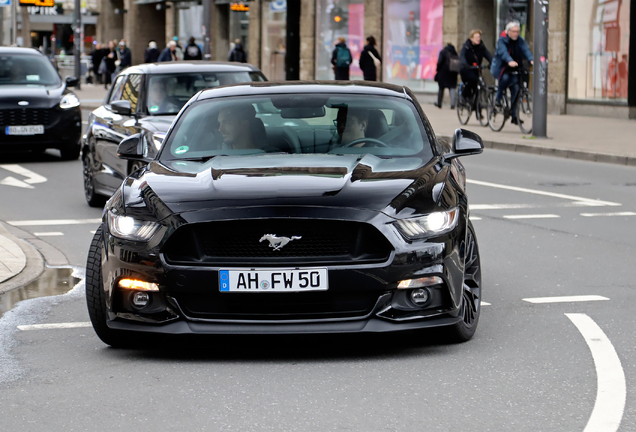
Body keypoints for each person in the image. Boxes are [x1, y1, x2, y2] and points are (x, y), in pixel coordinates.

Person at [490, 21, 534, 125]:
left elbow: (525, 50)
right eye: (514, 31)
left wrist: (531, 59)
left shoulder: (519, 40)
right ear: (508, 31)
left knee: (516, 89)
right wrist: (509, 60)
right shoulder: (502, 40)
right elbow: (503, 52)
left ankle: (514, 116)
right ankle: (498, 98)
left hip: (514, 67)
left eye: (517, 31)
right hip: (502, 67)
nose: (516, 34)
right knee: (504, 79)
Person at [460, 29, 492, 103]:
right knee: (472, 80)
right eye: (476, 37)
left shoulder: (481, 47)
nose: (478, 39)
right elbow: (462, 56)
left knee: (478, 84)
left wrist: (492, 62)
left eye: (479, 37)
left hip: (476, 69)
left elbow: (488, 55)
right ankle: (464, 96)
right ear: (471, 38)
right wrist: (464, 63)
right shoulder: (466, 46)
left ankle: (477, 108)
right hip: (466, 69)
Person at [433, 43, 459, 109]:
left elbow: (439, 62)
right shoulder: (455, 53)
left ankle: (439, 103)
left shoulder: (443, 52)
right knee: (452, 89)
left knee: (441, 89)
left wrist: (437, 69)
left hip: (443, 73)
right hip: (453, 74)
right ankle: (453, 104)